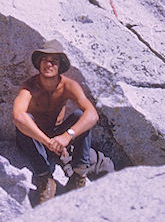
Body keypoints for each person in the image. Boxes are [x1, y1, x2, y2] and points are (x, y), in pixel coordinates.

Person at [13, 39, 101, 205]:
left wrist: (66, 137)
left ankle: (79, 174)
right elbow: (18, 116)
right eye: (45, 60)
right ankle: (45, 177)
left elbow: (92, 115)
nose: (49, 64)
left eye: (53, 61)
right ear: (39, 64)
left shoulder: (69, 86)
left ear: (60, 66)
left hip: (58, 136)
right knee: (25, 122)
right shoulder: (29, 87)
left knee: (79, 115)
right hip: (36, 140)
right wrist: (48, 142)